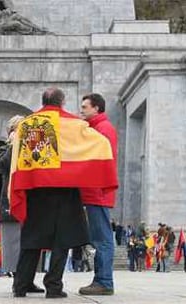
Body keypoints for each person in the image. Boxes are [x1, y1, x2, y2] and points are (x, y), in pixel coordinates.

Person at [11, 88, 109, 299]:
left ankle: (20, 285)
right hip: (65, 190)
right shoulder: (75, 124)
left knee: (31, 239)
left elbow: (18, 160)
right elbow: (100, 143)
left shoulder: (28, 124)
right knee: (61, 240)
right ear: (62, 102)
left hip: (36, 190)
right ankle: (53, 286)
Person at [0, 115, 45, 293]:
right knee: (14, 244)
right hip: (11, 202)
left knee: (32, 243)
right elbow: (4, 164)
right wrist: (13, 145)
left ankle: (28, 279)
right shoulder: (4, 149)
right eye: (19, 129)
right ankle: (19, 281)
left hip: (31, 201)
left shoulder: (32, 148)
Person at [79, 93, 118, 295]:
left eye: (85, 107)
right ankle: (100, 279)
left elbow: (100, 163)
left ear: (96, 108)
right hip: (94, 191)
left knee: (102, 239)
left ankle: (104, 281)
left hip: (98, 192)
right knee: (99, 238)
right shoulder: (96, 128)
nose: (82, 110)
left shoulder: (103, 130)